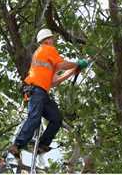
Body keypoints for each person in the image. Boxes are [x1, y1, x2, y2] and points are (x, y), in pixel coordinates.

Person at [7, 28, 88, 158]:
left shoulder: (47, 59)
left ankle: (42, 145)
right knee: (34, 118)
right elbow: (62, 65)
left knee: (56, 119)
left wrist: (74, 70)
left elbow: (54, 81)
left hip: (42, 93)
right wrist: (76, 63)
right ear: (48, 39)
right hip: (35, 90)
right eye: (52, 38)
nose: (54, 41)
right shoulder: (47, 49)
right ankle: (17, 145)